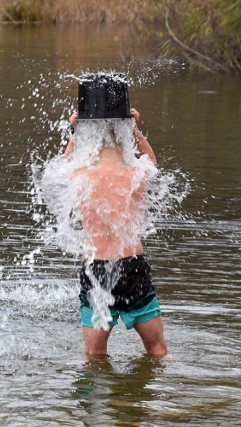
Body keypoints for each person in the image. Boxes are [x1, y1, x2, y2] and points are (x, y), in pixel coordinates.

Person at [66, 108, 168, 358]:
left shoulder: (81, 176)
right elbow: (151, 160)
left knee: (94, 355)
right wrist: (133, 127)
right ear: (121, 139)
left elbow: (60, 168)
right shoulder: (136, 174)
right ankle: (152, 396)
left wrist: (74, 130)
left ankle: (102, 396)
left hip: (97, 268)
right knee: (157, 351)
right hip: (132, 267)